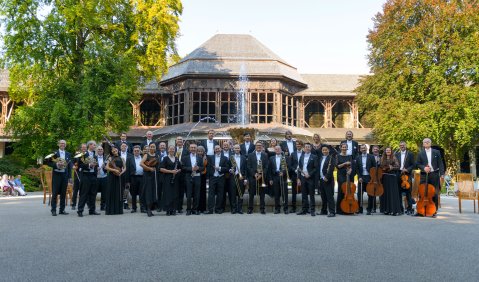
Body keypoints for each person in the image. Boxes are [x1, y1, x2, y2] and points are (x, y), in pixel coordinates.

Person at [416, 138, 445, 218]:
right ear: (423, 144)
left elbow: (440, 163)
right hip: (424, 175)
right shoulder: (420, 153)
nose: (426, 143)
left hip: (434, 174)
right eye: (425, 142)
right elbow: (417, 164)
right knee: (422, 192)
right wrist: (424, 168)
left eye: (428, 142)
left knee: (434, 193)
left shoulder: (437, 152)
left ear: (430, 143)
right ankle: (420, 211)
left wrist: (442, 174)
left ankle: (434, 211)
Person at [46, 140, 72, 215]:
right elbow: (48, 163)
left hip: (65, 175)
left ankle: (62, 210)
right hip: (57, 175)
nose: (62, 144)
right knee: (55, 193)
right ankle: (53, 210)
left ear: (65, 145)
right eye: (61, 143)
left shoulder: (68, 154)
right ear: (58, 144)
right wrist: (56, 165)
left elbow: (69, 166)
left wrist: (70, 177)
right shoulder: (54, 153)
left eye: (64, 143)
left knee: (63, 193)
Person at [77, 141, 100, 217]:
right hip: (85, 175)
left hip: (93, 176)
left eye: (95, 145)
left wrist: (97, 167)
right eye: (94, 145)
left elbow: (96, 165)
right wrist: (89, 165)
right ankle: (80, 211)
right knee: (84, 194)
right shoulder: (83, 154)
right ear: (89, 145)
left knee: (93, 194)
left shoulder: (95, 155)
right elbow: (80, 165)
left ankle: (92, 210)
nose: (95, 146)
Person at [205, 145, 229, 214]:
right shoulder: (210, 157)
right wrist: (207, 178)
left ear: (221, 149)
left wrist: (220, 168)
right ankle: (210, 209)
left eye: (218, 148)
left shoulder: (225, 158)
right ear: (214, 150)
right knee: (210, 194)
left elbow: (227, 168)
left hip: (221, 177)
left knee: (220, 194)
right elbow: (208, 168)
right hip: (212, 177)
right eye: (216, 149)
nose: (217, 150)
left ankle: (218, 209)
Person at [182, 143, 204, 215]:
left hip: (197, 177)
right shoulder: (185, 157)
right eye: (192, 148)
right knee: (188, 194)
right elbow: (183, 168)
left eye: (194, 148)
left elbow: (203, 167)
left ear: (196, 149)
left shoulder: (200, 158)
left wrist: (198, 168)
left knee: (196, 194)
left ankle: (195, 209)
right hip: (189, 177)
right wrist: (191, 168)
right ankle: (188, 209)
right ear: (189, 149)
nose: (193, 149)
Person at [247, 141, 269, 214]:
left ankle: (262, 209)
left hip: (262, 177)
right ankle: (250, 208)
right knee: (251, 194)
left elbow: (266, 166)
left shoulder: (265, 155)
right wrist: (254, 174)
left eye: (260, 146)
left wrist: (261, 175)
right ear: (255, 147)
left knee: (262, 194)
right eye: (257, 146)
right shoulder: (250, 155)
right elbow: (249, 166)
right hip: (253, 177)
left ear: (262, 147)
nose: (259, 147)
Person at [160, 145, 182, 216]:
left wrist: (177, 171)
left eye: (173, 149)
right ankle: (168, 210)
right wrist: (171, 171)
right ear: (168, 150)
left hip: (175, 178)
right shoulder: (165, 158)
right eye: (170, 149)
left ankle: (174, 209)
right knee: (168, 194)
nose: (172, 150)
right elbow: (161, 169)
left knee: (175, 194)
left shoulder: (176, 159)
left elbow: (180, 168)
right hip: (167, 178)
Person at [297, 143, 318, 216]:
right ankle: (304, 210)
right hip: (303, 177)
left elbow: (316, 168)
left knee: (311, 195)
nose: (307, 148)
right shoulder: (301, 157)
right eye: (306, 147)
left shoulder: (314, 157)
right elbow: (299, 168)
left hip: (310, 178)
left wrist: (309, 174)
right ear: (304, 148)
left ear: (311, 148)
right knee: (304, 194)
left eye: (308, 147)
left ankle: (312, 210)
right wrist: (299, 178)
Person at [394, 141, 416, 215]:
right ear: (399, 146)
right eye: (400, 145)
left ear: (406, 145)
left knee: (408, 193)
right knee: (399, 193)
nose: (402, 146)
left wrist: (407, 169)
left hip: (407, 175)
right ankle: (400, 209)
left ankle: (409, 209)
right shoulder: (396, 154)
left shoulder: (410, 154)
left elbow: (413, 165)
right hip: (399, 174)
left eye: (403, 145)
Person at [104, 146, 126, 215]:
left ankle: (118, 210)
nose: (114, 151)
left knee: (118, 192)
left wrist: (121, 173)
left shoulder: (122, 158)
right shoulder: (110, 158)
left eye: (115, 150)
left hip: (119, 176)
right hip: (111, 176)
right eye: (113, 150)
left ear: (117, 150)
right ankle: (110, 210)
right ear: (111, 152)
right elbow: (106, 167)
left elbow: (125, 168)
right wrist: (114, 170)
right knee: (111, 191)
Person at [380, 147, 401, 215]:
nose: (388, 151)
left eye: (389, 150)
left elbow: (398, 166)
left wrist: (392, 167)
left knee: (392, 193)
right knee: (385, 193)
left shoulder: (394, 157)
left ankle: (394, 210)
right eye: (387, 150)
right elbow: (380, 166)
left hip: (392, 177)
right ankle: (386, 210)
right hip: (385, 177)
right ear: (385, 151)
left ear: (391, 151)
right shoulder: (383, 158)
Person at [336, 142, 356, 215]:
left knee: (349, 190)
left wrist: (350, 170)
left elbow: (351, 165)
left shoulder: (349, 156)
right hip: (341, 174)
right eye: (343, 147)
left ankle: (348, 208)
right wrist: (345, 164)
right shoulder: (338, 156)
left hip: (348, 174)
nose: (344, 148)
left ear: (347, 148)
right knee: (341, 191)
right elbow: (337, 166)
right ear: (340, 148)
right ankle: (340, 210)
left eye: (345, 147)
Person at [355, 144, 376, 215]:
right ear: (360, 149)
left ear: (366, 149)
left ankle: (369, 209)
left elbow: (374, 167)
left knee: (370, 194)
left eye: (364, 148)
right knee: (359, 194)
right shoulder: (358, 157)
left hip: (369, 177)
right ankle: (359, 209)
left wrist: (372, 178)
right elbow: (357, 168)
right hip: (361, 177)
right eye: (362, 148)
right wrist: (359, 177)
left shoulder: (371, 156)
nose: (363, 149)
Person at [140, 143, 159, 217]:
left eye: (153, 147)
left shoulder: (157, 155)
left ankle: (151, 208)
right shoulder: (146, 155)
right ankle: (148, 209)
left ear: (155, 148)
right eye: (151, 146)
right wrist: (149, 168)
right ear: (149, 147)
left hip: (154, 175)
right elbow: (141, 163)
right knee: (148, 192)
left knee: (153, 192)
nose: (152, 148)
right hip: (147, 175)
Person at [268, 146, 289, 214]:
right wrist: (270, 179)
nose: (277, 150)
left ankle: (285, 208)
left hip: (283, 177)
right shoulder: (271, 158)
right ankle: (277, 208)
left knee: (284, 194)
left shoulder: (285, 158)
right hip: (275, 177)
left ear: (281, 150)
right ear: (274, 150)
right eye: (276, 149)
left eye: (279, 149)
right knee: (276, 194)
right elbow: (270, 169)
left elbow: (288, 168)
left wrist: (284, 172)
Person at [318, 145, 336, 217]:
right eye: (323, 150)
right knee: (323, 196)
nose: (324, 151)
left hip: (328, 179)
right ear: (321, 151)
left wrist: (326, 177)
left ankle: (332, 212)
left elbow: (331, 169)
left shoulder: (331, 158)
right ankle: (324, 211)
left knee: (329, 196)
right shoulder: (321, 158)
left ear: (328, 150)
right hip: (321, 179)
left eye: (326, 150)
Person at [230, 144, 247, 214]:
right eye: (235, 148)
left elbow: (246, 169)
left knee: (241, 193)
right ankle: (233, 209)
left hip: (241, 177)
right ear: (233, 149)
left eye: (238, 148)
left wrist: (245, 179)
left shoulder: (243, 158)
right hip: (233, 176)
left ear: (240, 149)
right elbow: (228, 166)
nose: (237, 149)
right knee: (233, 193)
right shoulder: (231, 157)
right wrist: (230, 170)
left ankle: (240, 209)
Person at [129, 145, 145, 213]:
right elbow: (128, 170)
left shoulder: (143, 158)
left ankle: (142, 208)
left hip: (142, 177)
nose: (136, 152)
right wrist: (128, 181)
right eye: (135, 151)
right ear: (133, 152)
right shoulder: (130, 158)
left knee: (142, 193)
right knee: (133, 193)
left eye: (138, 151)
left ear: (140, 151)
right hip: (133, 178)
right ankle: (134, 208)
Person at [175, 136, 189, 213]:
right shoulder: (173, 150)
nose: (180, 141)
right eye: (178, 139)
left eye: (181, 139)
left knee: (181, 191)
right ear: (176, 141)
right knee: (174, 191)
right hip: (174, 173)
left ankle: (179, 207)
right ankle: (174, 206)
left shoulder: (186, 151)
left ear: (183, 142)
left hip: (183, 173)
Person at [289, 140, 304, 213]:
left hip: (303, 175)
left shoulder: (305, 153)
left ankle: (304, 208)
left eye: (299, 145)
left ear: (302, 146)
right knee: (294, 192)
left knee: (304, 191)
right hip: (295, 175)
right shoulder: (292, 154)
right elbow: (290, 165)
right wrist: (294, 170)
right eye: (297, 145)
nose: (298, 146)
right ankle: (293, 207)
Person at [71, 143, 86, 210]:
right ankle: (73, 204)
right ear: (81, 148)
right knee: (76, 190)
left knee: (84, 190)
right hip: (77, 173)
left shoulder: (87, 154)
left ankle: (84, 203)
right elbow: (72, 162)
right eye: (83, 147)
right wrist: (73, 166)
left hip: (85, 174)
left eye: (85, 147)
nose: (84, 148)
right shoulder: (77, 155)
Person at [119, 143, 133, 209]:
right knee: (120, 188)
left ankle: (125, 202)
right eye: (122, 146)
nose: (124, 147)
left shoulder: (130, 155)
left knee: (127, 188)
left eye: (125, 146)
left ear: (127, 147)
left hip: (127, 174)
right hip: (119, 174)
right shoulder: (117, 154)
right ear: (120, 147)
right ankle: (119, 202)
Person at [221, 141, 234, 212]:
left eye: (227, 145)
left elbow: (235, 164)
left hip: (231, 175)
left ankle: (233, 208)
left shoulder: (232, 154)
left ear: (229, 146)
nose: (226, 146)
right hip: (222, 175)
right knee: (222, 192)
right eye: (224, 145)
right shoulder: (219, 153)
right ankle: (222, 208)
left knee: (231, 192)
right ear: (222, 146)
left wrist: (232, 169)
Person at [96, 146, 108, 211]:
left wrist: (105, 166)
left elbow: (109, 166)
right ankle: (92, 206)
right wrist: (96, 168)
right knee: (94, 192)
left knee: (104, 193)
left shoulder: (106, 158)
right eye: (99, 149)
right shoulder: (94, 157)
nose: (100, 150)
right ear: (97, 151)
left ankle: (103, 206)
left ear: (103, 151)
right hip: (96, 177)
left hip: (104, 177)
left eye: (101, 149)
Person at [197, 146, 208, 213]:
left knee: (203, 192)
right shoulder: (195, 157)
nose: (200, 152)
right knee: (197, 192)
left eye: (201, 151)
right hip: (197, 175)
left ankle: (203, 208)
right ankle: (197, 208)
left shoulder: (206, 158)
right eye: (199, 151)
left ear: (203, 152)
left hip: (204, 176)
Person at [371, 145, 381, 213]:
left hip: (380, 176)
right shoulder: (370, 157)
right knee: (373, 192)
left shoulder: (381, 157)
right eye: (374, 149)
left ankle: (382, 207)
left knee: (381, 192)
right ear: (372, 150)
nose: (376, 150)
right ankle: (373, 207)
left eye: (377, 149)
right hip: (372, 176)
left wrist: (379, 162)